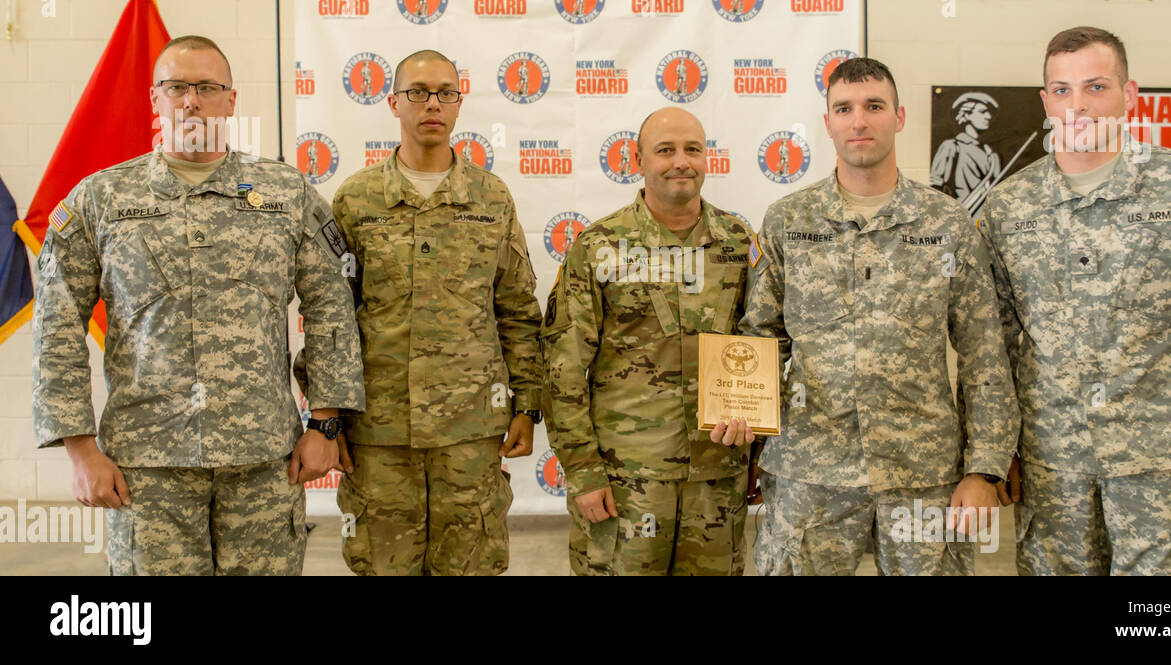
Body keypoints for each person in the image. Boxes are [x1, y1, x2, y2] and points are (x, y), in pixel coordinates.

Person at [31, 34, 364, 576]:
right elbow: (57, 327)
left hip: (263, 460)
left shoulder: (287, 194)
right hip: (147, 467)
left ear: (231, 100)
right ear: (154, 99)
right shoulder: (101, 199)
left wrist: (324, 422)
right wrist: (79, 448)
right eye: (176, 87)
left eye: (207, 87)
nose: (191, 100)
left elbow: (331, 305)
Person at [979, 26, 1171, 575]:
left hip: (1166, 466)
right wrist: (998, 454)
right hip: (1055, 469)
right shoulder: (1009, 206)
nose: (1079, 106)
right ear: (1046, 100)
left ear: (1129, 93)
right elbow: (994, 345)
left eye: (1096, 87)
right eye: (1063, 90)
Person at [738, 58, 1018, 576]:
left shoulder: (946, 223)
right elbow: (759, 339)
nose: (859, 121)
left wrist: (984, 468)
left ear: (899, 116)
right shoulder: (789, 221)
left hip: (923, 471)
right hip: (809, 471)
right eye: (844, 108)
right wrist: (745, 429)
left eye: (873, 106)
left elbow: (984, 353)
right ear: (828, 123)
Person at [324, 49, 543, 576]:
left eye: (446, 93)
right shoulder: (356, 200)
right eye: (418, 93)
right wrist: (328, 418)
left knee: (471, 565)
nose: (432, 104)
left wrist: (528, 403)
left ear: (459, 105)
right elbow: (332, 315)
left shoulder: (491, 198)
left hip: (469, 430)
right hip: (378, 431)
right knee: (382, 565)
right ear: (393, 102)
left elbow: (516, 307)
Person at [542, 107, 754, 575]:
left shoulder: (739, 243)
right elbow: (563, 368)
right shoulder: (600, 247)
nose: (681, 161)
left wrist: (755, 454)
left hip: (717, 478)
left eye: (693, 149)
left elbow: (760, 348)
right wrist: (583, 471)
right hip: (626, 483)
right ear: (637, 160)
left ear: (707, 158)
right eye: (665, 150)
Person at [929, 91, 1001, 215]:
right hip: (961, 216)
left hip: (986, 218)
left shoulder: (989, 152)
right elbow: (935, 187)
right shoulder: (952, 146)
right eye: (983, 112)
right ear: (967, 114)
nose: (988, 116)